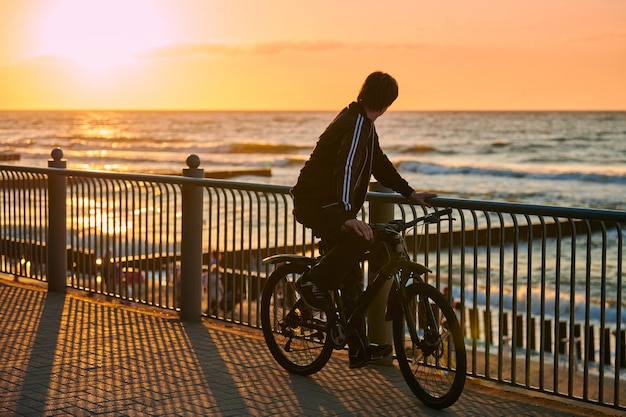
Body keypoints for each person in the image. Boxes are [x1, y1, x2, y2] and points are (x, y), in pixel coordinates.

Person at [291, 71, 437, 369]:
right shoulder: (358, 123)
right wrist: (346, 216)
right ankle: (310, 281)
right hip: (319, 204)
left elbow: (379, 165)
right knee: (360, 238)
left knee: (352, 276)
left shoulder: (362, 122)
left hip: (328, 203)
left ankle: (356, 346)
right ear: (388, 103)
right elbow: (346, 169)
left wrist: (409, 194)